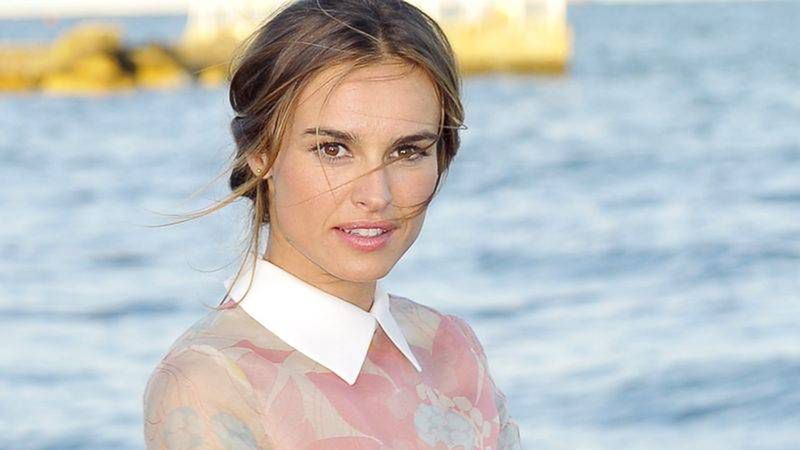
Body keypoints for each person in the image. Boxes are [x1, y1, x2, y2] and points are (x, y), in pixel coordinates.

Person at [142, 0, 522, 448]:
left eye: (408, 152)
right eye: (333, 149)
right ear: (260, 152)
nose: (376, 194)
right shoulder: (209, 384)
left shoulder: (451, 348)